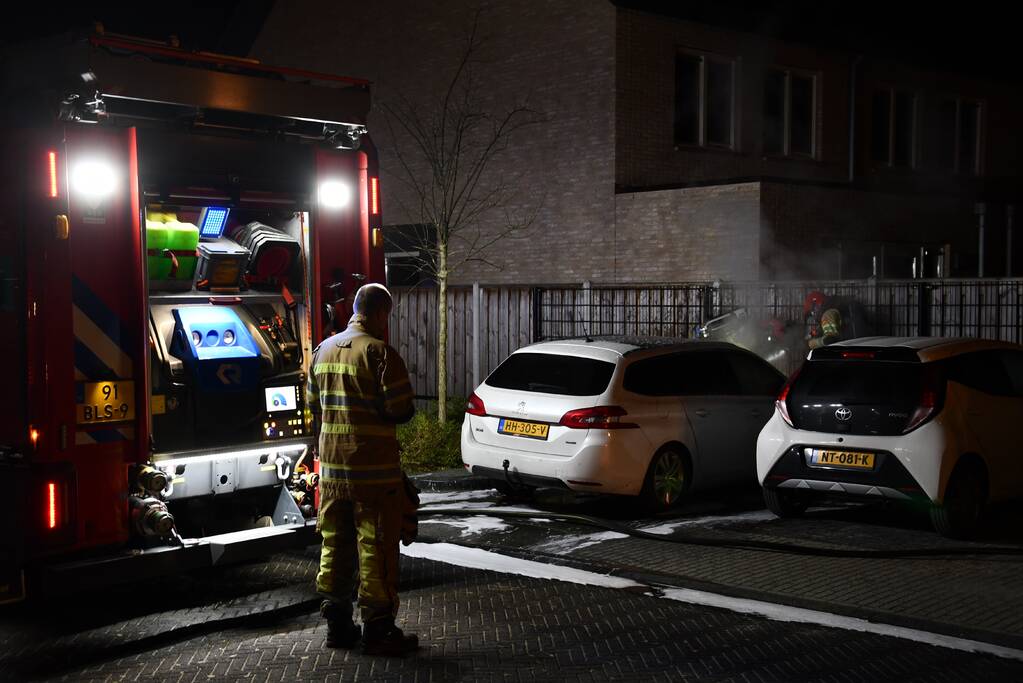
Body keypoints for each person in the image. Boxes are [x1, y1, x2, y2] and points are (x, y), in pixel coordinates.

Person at [306, 283, 418, 656]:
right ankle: (379, 630)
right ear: (381, 313)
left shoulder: (321, 351)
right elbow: (401, 409)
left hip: (333, 475)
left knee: (334, 547)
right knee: (376, 551)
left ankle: (338, 626)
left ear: (355, 309)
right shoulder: (380, 353)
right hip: (374, 478)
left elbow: (313, 405)